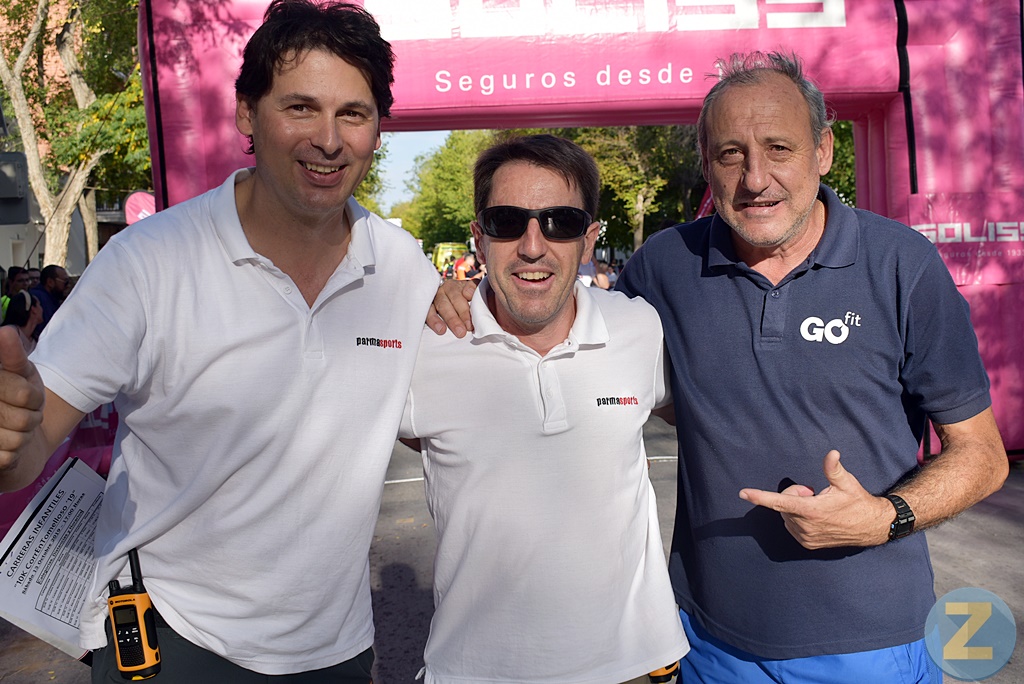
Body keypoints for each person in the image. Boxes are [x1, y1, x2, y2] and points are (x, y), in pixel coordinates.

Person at [428, 52, 1008, 683]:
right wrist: (458, 296)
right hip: (707, 642)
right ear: (707, 163)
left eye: (778, 147)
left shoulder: (903, 267)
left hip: (870, 644)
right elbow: (568, 323)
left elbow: (983, 456)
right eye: (730, 153)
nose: (755, 177)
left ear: (823, 150)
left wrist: (883, 517)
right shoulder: (664, 267)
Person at [0, 1, 439, 682]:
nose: (328, 139)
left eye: (353, 114)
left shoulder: (403, 268)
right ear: (245, 114)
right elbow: (25, 454)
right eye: (300, 108)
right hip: (172, 643)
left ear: (377, 128)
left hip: (338, 652)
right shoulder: (150, 263)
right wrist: (9, 433)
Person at [404, 134, 687, 684]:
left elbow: (715, 423)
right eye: (508, 221)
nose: (533, 245)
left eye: (560, 221)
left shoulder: (638, 327)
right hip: (476, 671)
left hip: (634, 668)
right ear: (479, 239)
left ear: (589, 239)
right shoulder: (422, 346)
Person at [29, 264, 70, 335]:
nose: (68, 286)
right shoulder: (39, 298)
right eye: (65, 282)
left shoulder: (52, 298)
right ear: (50, 282)